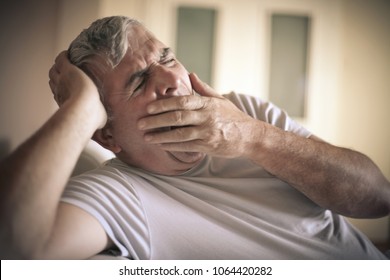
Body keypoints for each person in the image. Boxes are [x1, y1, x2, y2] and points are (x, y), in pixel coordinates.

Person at [0, 16, 389, 260]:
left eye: (167, 58)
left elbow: (377, 198)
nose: (172, 80)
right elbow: (18, 248)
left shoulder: (245, 112)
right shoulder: (117, 194)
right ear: (108, 135)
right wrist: (79, 108)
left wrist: (253, 138)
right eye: (139, 82)